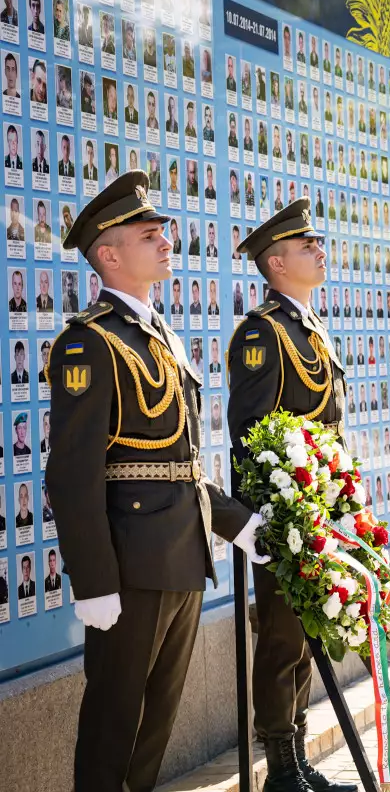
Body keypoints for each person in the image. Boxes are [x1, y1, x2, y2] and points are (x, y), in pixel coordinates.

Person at [51, 171, 269, 792]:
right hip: (127, 564)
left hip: (180, 553)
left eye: (163, 230)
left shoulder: (162, 336)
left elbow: (179, 463)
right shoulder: (88, 343)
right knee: (114, 724)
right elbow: (72, 476)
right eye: (148, 234)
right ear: (110, 254)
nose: (165, 239)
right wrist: (93, 581)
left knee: (154, 729)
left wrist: (241, 525)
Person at [227, 198, 353, 792]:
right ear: (276, 264)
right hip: (284, 515)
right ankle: (279, 765)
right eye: (307, 247)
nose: (320, 251)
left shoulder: (308, 328)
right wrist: (273, 521)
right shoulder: (263, 332)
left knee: (306, 636)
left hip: (317, 510)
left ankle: (298, 758)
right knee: (282, 635)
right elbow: (251, 436)